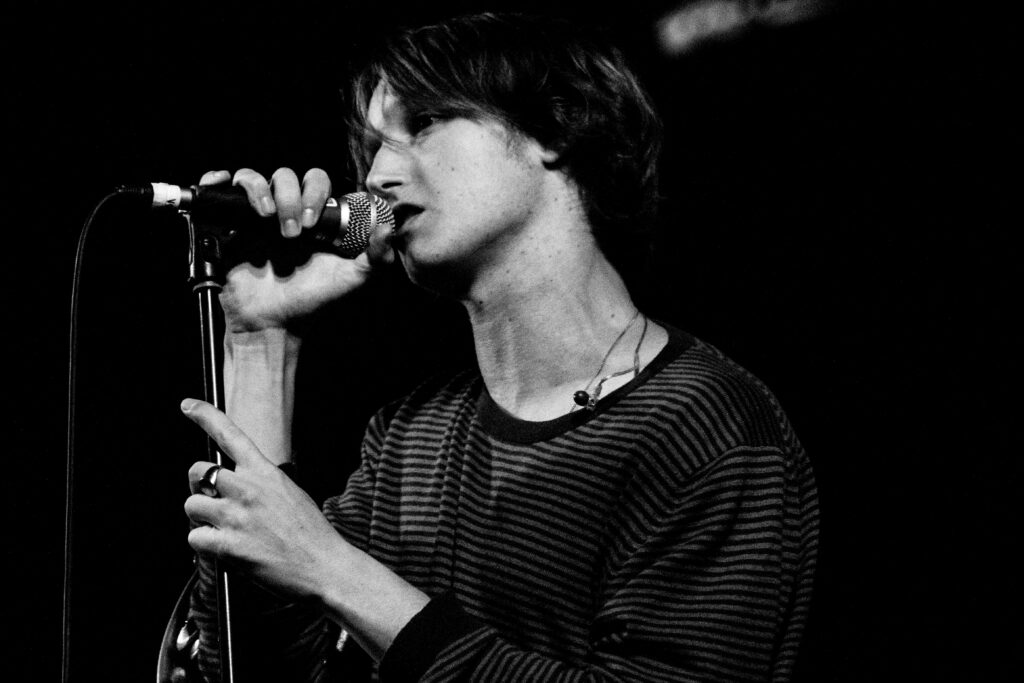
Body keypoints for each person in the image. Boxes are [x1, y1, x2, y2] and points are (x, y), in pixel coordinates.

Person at [180, 12, 819, 682]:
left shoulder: (707, 428)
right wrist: (261, 337)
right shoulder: (410, 438)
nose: (377, 175)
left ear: (555, 129)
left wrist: (335, 571)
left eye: (425, 122)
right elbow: (247, 668)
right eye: (372, 147)